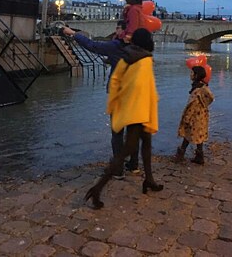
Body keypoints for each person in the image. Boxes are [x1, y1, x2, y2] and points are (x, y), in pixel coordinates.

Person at [84, 28, 163, 209]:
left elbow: (116, 80)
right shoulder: (144, 59)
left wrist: (114, 104)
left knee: (147, 146)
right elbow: (144, 88)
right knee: (125, 153)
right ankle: (96, 189)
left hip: (131, 109)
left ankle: (149, 179)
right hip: (139, 111)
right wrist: (149, 108)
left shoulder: (126, 55)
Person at [62, 21, 140, 177]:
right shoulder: (137, 48)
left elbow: (93, 46)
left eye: (118, 28)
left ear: (123, 31)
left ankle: (118, 170)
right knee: (132, 131)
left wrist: (73, 33)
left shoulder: (115, 46)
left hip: (118, 95)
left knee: (117, 133)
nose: (115, 30)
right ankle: (133, 165)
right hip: (134, 94)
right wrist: (111, 60)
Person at [174, 66, 214, 165]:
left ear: (196, 75)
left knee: (187, 134)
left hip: (194, 118)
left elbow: (192, 106)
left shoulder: (196, 91)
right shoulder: (204, 88)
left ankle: (180, 155)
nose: (190, 74)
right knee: (198, 136)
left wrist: (186, 118)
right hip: (202, 117)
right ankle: (199, 156)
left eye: (192, 73)